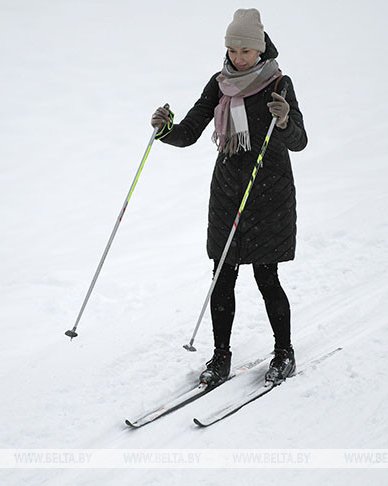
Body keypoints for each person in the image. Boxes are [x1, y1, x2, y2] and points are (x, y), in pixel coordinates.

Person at [150, 8, 307, 385]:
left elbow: (299, 141)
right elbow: (189, 132)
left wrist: (284, 120)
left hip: (268, 192)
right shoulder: (219, 83)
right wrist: (164, 129)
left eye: (246, 52)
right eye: (233, 50)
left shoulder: (278, 84)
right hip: (227, 193)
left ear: (260, 50)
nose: (238, 58)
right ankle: (220, 357)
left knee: (266, 277)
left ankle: (283, 353)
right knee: (222, 276)